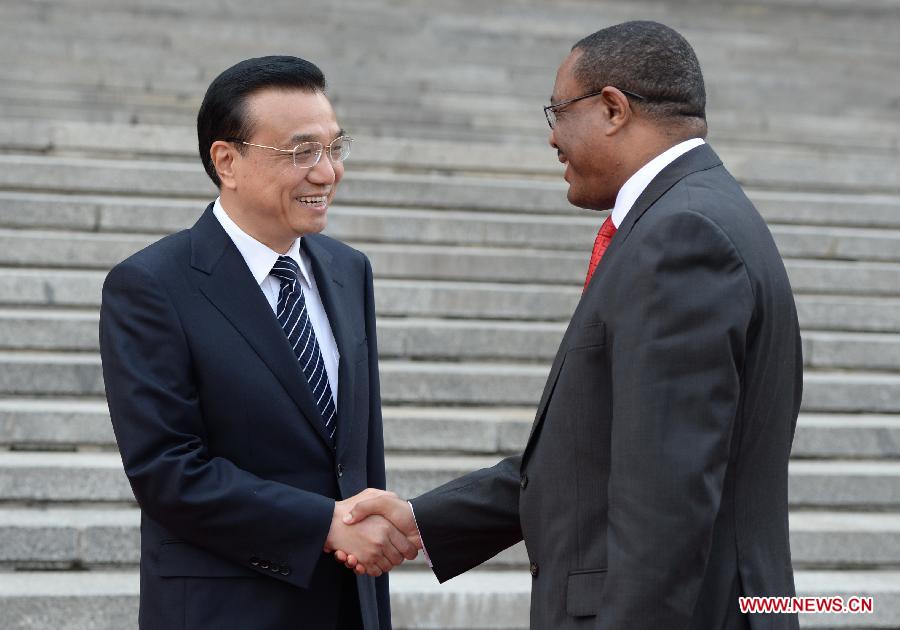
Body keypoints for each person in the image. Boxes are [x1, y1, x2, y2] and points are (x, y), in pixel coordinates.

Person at [336, 21, 802, 630]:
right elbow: (595, 454)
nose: (552, 137)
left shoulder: (681, 239)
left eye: (558, 111)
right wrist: (422, 520)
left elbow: (666, 503)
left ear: (613, 108)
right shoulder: (692, 215)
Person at [99, 56, 415, 630]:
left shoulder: (349, 270)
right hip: (228, 606)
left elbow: (359, 452)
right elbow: (166, 470)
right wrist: (323, 523)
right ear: (227, 161)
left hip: (348, 601)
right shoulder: (151, 285)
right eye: (301, 152)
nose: (327, 172)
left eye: (334, 147)